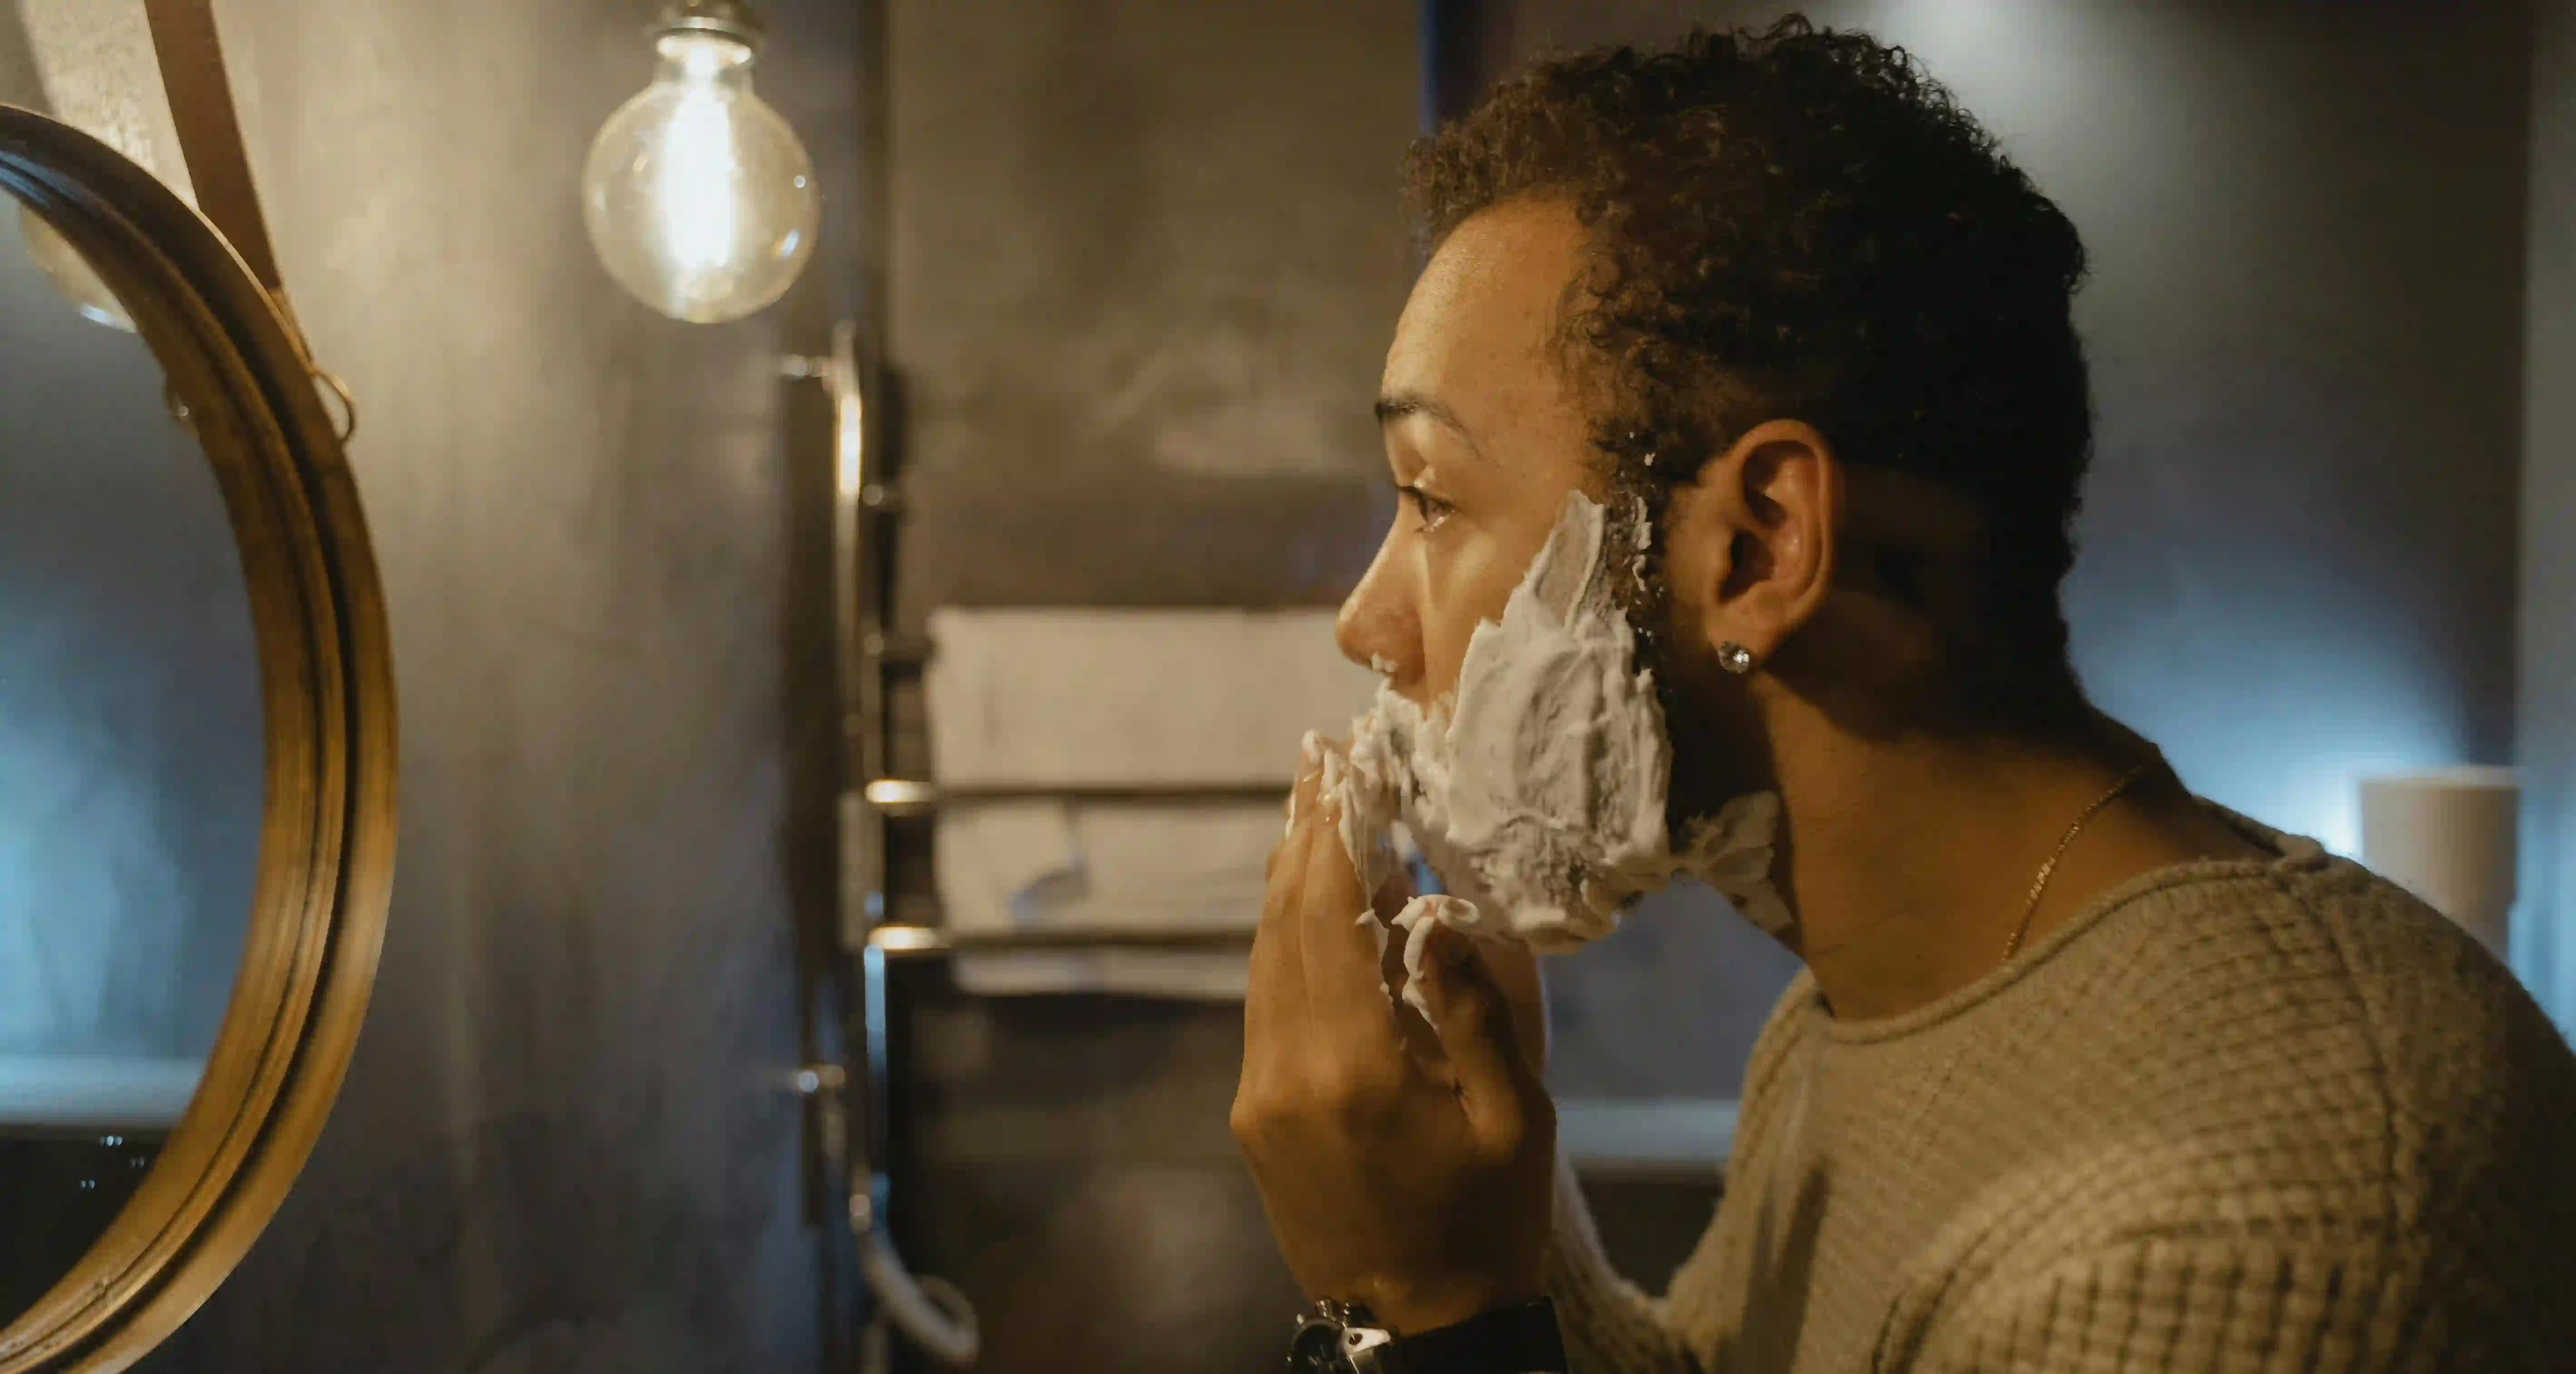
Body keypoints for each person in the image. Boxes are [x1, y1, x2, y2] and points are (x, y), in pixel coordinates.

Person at [1230, 17, 2576, 1374]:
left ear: (1761, 549)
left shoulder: (2249, 1223)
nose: (1365, 623)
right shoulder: (1882, 996)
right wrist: (1482, 1219)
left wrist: (1424, 1305)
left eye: (1432, 500)